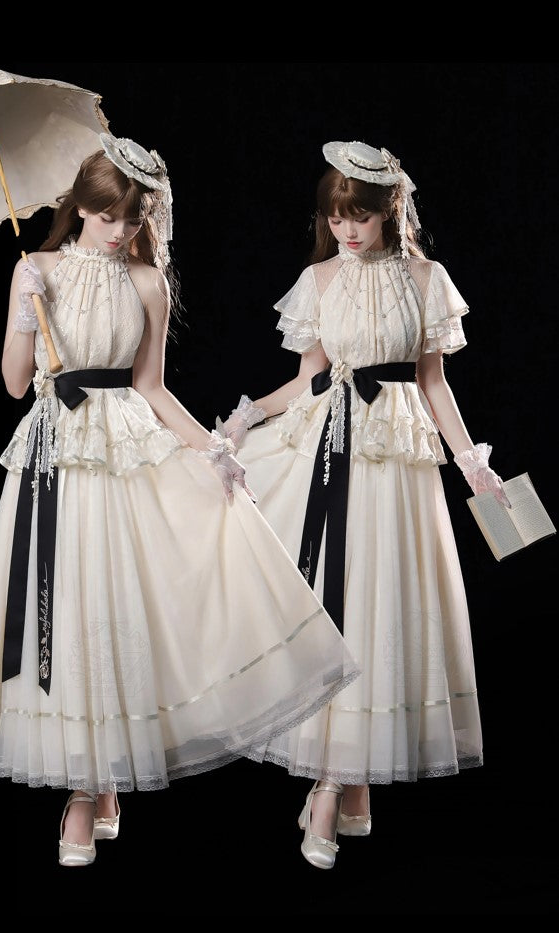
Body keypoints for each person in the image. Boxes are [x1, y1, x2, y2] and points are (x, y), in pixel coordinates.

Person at [0, 133, 357, 867]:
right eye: (107, 216)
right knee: (67, 608)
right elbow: (13, 383)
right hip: (58, 457)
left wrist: (213, 450)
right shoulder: (35, 269)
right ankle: (86, 786)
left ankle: (101, 781)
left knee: (118, 607)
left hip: (126, 450)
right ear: (80, 207)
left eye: (133, 218)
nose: (119, 230)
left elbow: (152, 388)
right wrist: (26, 312)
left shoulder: (146, 283)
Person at [220, 140, 509, 869]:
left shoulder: (426, 278)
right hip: (331, 448)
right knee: (338, 598)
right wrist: (247, 417)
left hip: (400, 460)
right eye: (335, 216)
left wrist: (473, 462)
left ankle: (344, 778)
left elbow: (433, 382)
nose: (346, 229)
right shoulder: (320, 279)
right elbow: (308, 379)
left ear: (390, 212)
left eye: (360, 216)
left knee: (386, 605)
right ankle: (336, 782)